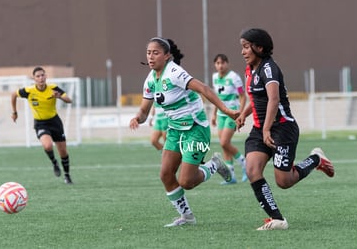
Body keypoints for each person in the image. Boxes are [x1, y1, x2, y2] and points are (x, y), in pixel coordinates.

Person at [130, 37, 239, 227]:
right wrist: (137, 118)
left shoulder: (174, 72)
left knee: (186, 181)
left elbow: (204, 88)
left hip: (195, 129)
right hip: (175, 130)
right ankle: (187, 217)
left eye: (156, 53)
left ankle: (214, 164)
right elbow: (144, 111)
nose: (151, 56)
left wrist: (226, 110)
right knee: (165, 174)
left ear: (167, 56)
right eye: (148, 53)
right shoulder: (150, 80)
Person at [236, 28, 335, 230]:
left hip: (282, 128)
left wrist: (266, 131)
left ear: (259, 48)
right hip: (259, 129)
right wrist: (243, 115)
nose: (243, 52)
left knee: (284, 181)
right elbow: (257, 98)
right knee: (252, 169)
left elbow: (274, 99)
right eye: (242, 47)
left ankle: (316, 158)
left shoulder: (269, 69)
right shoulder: (250, 69)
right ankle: (277, 219)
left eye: (246, 47)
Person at [11, 66, 73, 184]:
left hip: (55, 122)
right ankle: (54, 163)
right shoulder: (29, 91)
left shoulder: (53, 88)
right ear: (34, 79)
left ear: (46, 76)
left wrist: (59, 96)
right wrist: (14, 112)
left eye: (43, 75)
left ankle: (67, 175)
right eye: (38, 76)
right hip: (41, 124)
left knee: (63, 152)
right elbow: (13, 95)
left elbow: (69, 100)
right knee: (48, 146)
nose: (41, 78)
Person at [211, 54, 247, 184]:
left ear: (227, 63)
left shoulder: (234, 77)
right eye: (217, 63)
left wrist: (241, 114)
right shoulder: (215, 77)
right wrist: (214, 114)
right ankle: (231, 176)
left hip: (232, 114)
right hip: (221, 115)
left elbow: (243, 96)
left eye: (222, 63)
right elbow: (216, 98)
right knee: (224, 146)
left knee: (224, 142)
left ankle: (245, 164)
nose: (220, 65)